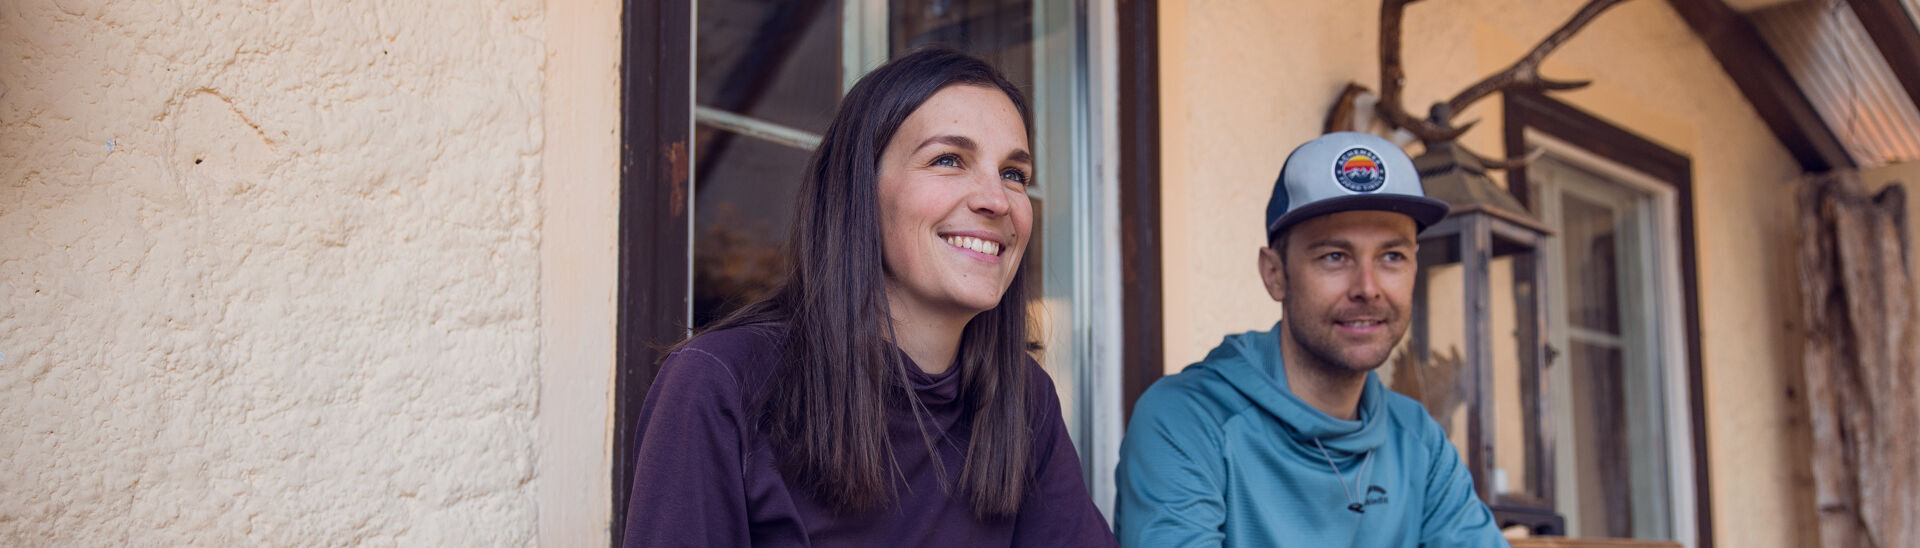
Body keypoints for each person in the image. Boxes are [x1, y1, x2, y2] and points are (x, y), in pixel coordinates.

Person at [623, 48, 1115, 547]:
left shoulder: (1023, 399)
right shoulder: (720, 381)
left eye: (1014, 174)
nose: (996, 199)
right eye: (948, 159)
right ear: (860, 189)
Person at [1113, 132, 1507, 547]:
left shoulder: (1418, 439)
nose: (1368, 288)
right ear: (1275, 274)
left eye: (1392, 256)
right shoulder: (1186, 420)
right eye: (1334, 256)